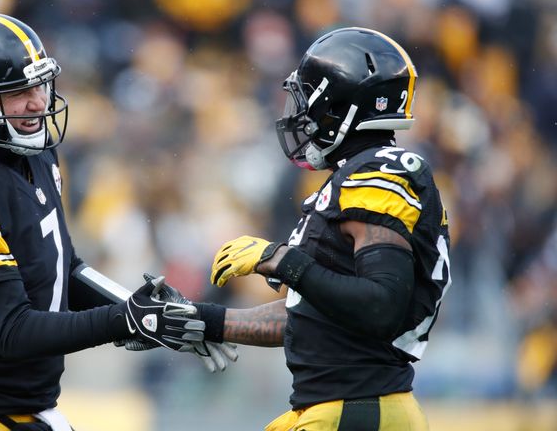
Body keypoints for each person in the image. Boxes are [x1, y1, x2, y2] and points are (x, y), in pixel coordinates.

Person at [0, 14, 235, 431]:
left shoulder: (34, 154)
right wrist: (127, 319)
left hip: (28, 409)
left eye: (38, 84)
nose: (37, 102)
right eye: (17, 92)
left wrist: (152, 311)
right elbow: (12, 332)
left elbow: (63, 270)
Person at [189, 27, 452, 430]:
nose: (298, 113)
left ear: (339, 104)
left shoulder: (377, 173)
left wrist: (280, 260)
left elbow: (381, 305)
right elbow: (309, 315)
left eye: (306, 98)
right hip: (342, 408)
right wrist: (202, 320)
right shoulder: (354, 175)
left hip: (358, 407)